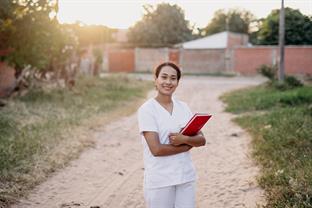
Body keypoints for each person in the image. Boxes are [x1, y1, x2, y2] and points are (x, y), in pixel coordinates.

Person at [137, 62, 206, 208]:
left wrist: (184, 139)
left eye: (173, 78)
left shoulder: (183, 107)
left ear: (177, 82)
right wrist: (187, 146)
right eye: (164, 77)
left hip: (185, 177)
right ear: (155, 79)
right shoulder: (147, 110)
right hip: (160, 180)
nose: (168, 82)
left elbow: (201, 140)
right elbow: (156, 150)